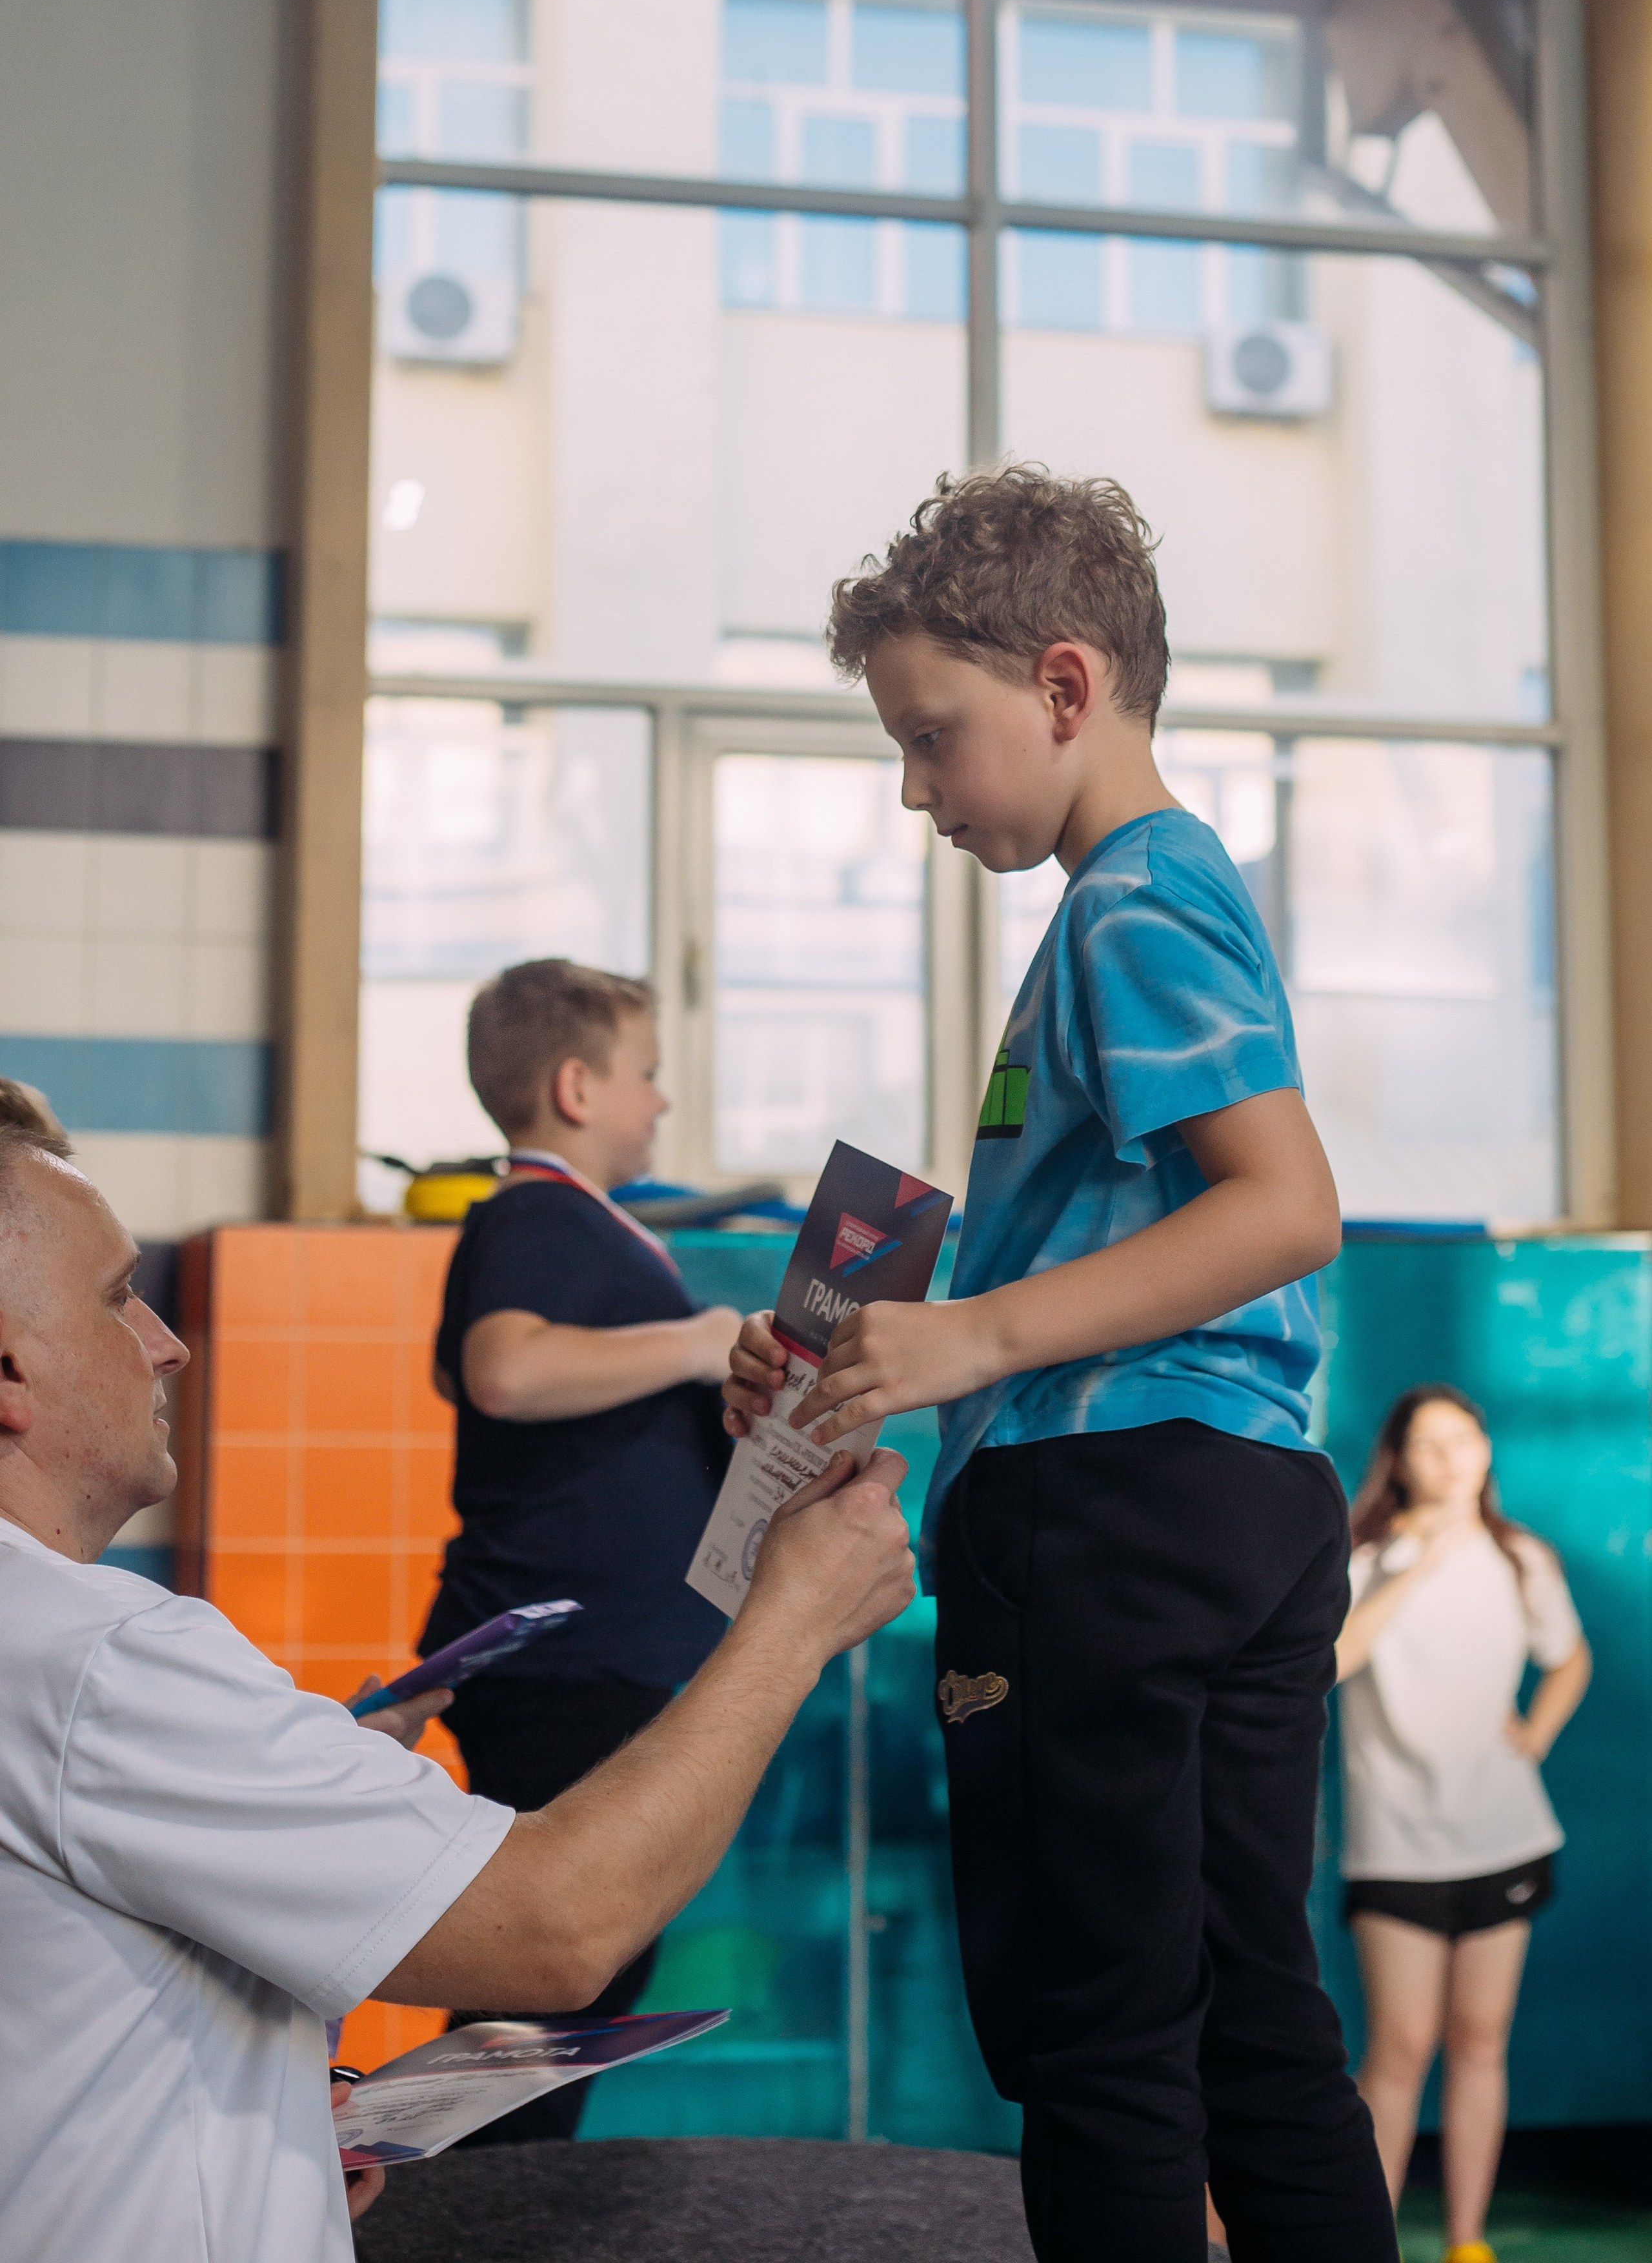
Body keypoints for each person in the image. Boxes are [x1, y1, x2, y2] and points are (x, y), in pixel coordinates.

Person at [725, 465, 1395, 2263]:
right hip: (1238, 1501)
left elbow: (1284, 1208)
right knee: (1252, 2024)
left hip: (1108, 1511)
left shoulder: (1128, 907)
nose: (915, 787)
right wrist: (864, 1345)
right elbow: (1119, 1240)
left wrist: (969, 1337)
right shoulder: (1145, 904)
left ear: (1066, 687)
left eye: (931, 735)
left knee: (1097, 2039)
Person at [0, 1117, 914, 2263]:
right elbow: (557, 1927)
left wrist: (263, 2129)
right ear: (9, 1367)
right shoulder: (98, 1660)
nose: (168, 1344)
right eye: (118, 1298)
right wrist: (794, 1622)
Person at [416, 956, 742, 2138]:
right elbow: (503, 1371)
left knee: (574, 1969)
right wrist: (702, 1341)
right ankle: (467, 2192)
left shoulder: (574, 1226)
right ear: (575, 1087)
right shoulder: (538, 1211)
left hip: (582, 1655)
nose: (662, 1099)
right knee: (550, 1972)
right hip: (563, 1660)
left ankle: (474, 2187)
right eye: (646, 1073)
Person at [1336, 1383, 1591, 2263]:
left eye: (1465, 1438)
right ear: (1400, 1462)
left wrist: (1535, 1735)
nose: (1452, 1457)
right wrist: (1417, 1565)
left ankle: (1467, 2242)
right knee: (1400, 2050)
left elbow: (1569, 1659)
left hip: (1505, 1840)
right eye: (1430, 1443)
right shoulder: (1365, 1560)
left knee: (1481, 2043)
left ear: (1485, 1450)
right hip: (1396, 1846)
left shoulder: (1522, 1558)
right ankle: (1367, 2243)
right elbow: (1332, 1660)